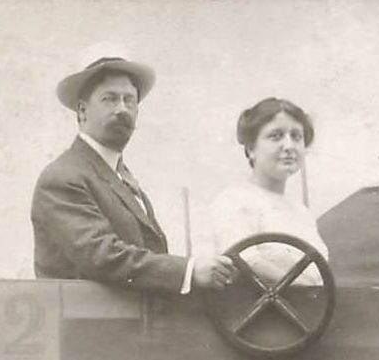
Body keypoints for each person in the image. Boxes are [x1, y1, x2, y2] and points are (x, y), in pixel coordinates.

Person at [32, 44, 235, 293]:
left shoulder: (121, 176)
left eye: (129, 100)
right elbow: (101, 256)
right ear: (82, 111)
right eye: (109, 99)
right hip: (82, 325)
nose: (122, 109)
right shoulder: (64, 177)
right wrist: (189, 271)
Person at [209, 97, 330, 287]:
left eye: (296, 136)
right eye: (276, 136)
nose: (289, 146)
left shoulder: (301, 211)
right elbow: (246, 260)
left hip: (309, 312)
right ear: (251, 149)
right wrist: (308, 289)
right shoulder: (234, 201)